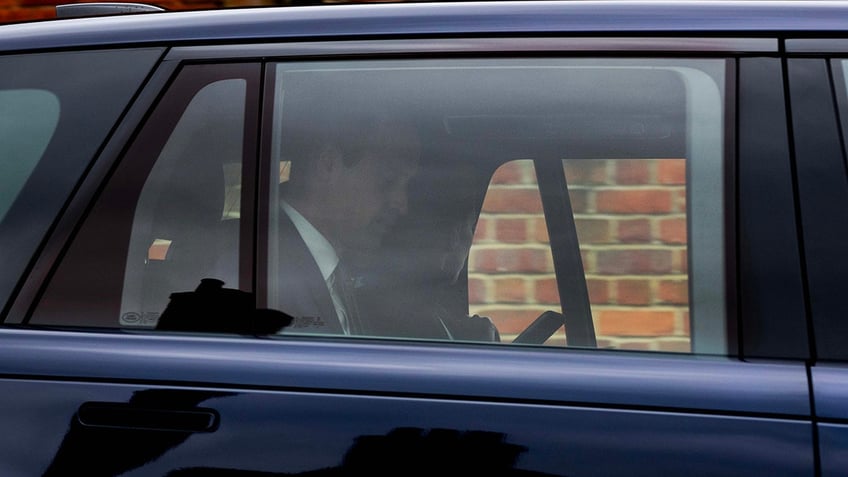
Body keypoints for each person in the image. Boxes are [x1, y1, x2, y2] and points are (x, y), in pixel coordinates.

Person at [272, 110, 420, 335]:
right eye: (387, 180)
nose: (402, 204)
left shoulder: (337, 273)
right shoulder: (256, 268)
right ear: (328, 164)